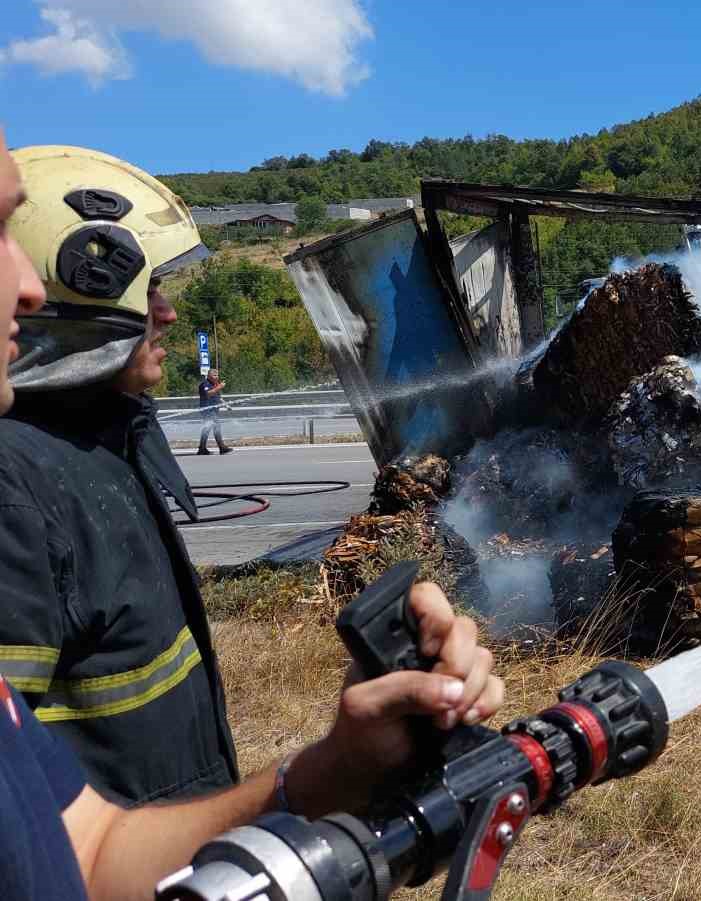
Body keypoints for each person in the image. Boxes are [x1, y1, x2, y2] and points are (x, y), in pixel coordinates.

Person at [0, 128, 506, 901]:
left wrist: (343, 766)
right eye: (149, 290)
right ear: (89, 280)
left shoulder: (99, 453)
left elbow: (81, 851)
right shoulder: (18, 485)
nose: (167, 313)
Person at [196, 366, 230, 454]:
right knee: (216, 426)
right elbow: (208, 394)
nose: (217, 377)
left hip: (214, 410)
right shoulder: (205, 384)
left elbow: (218, 396)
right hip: (207, 410)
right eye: (214, 375)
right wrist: (220, 387)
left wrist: (226, 405)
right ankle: (222, 447)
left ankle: (202, 449)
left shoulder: (216, 384)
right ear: (209, 376)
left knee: (207, 428)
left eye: (217, 375)